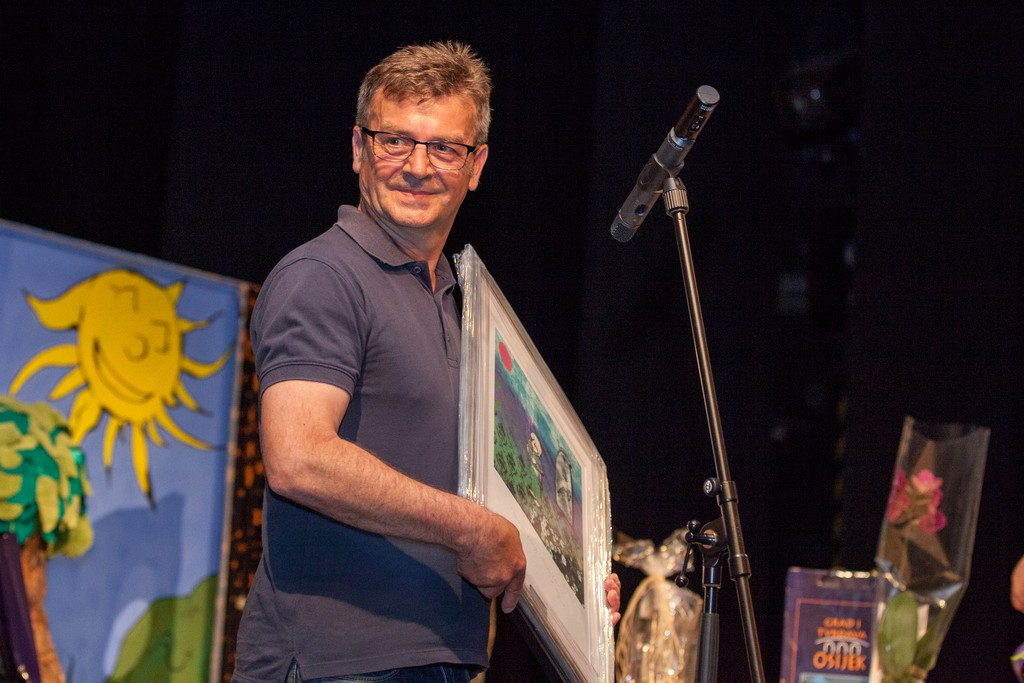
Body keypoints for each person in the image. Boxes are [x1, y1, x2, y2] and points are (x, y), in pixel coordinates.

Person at [233, 41, 619, 683]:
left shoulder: (460, 311)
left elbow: (494, 500)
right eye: (395, 141)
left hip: (437, 658)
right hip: (337, 666)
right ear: (358, 148)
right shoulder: (324, 275)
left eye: (443, 148)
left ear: (476, 165)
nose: (417, 167)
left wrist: (568, 578)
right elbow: (299, 458)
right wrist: (471, 530)